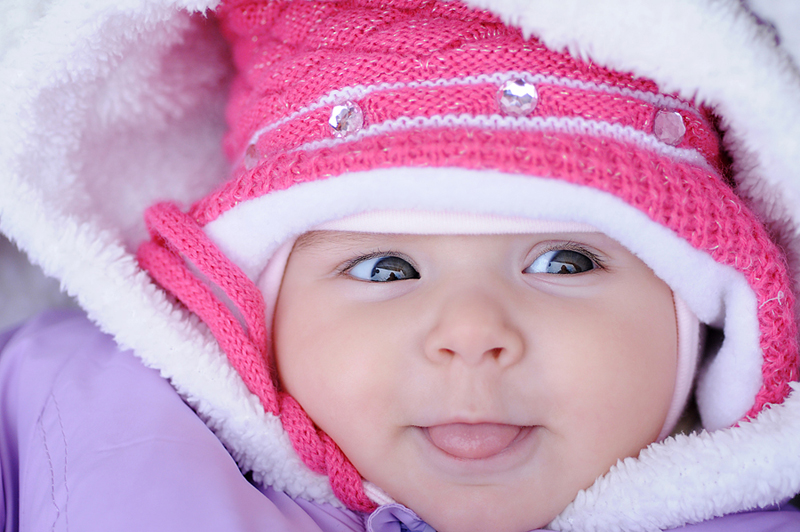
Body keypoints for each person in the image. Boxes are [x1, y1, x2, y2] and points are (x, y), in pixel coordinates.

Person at [1, 1, 800, 530]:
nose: (471, 332)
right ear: (253, 313)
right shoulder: (73, 407)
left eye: (564, 261)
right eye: (385, 269)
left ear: (701, 317)